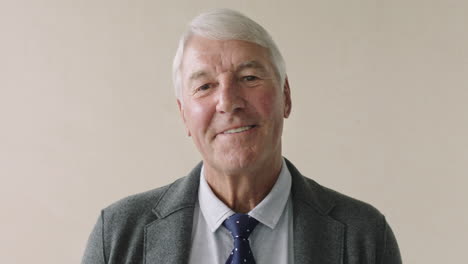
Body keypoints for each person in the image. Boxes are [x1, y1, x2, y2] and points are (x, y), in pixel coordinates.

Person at [82, 8, 402, 264]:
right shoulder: (119, 235)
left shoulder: (365, 236)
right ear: (183, 115)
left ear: (286, 96)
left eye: (249, 77)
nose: (228, 102)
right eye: (205, 86)